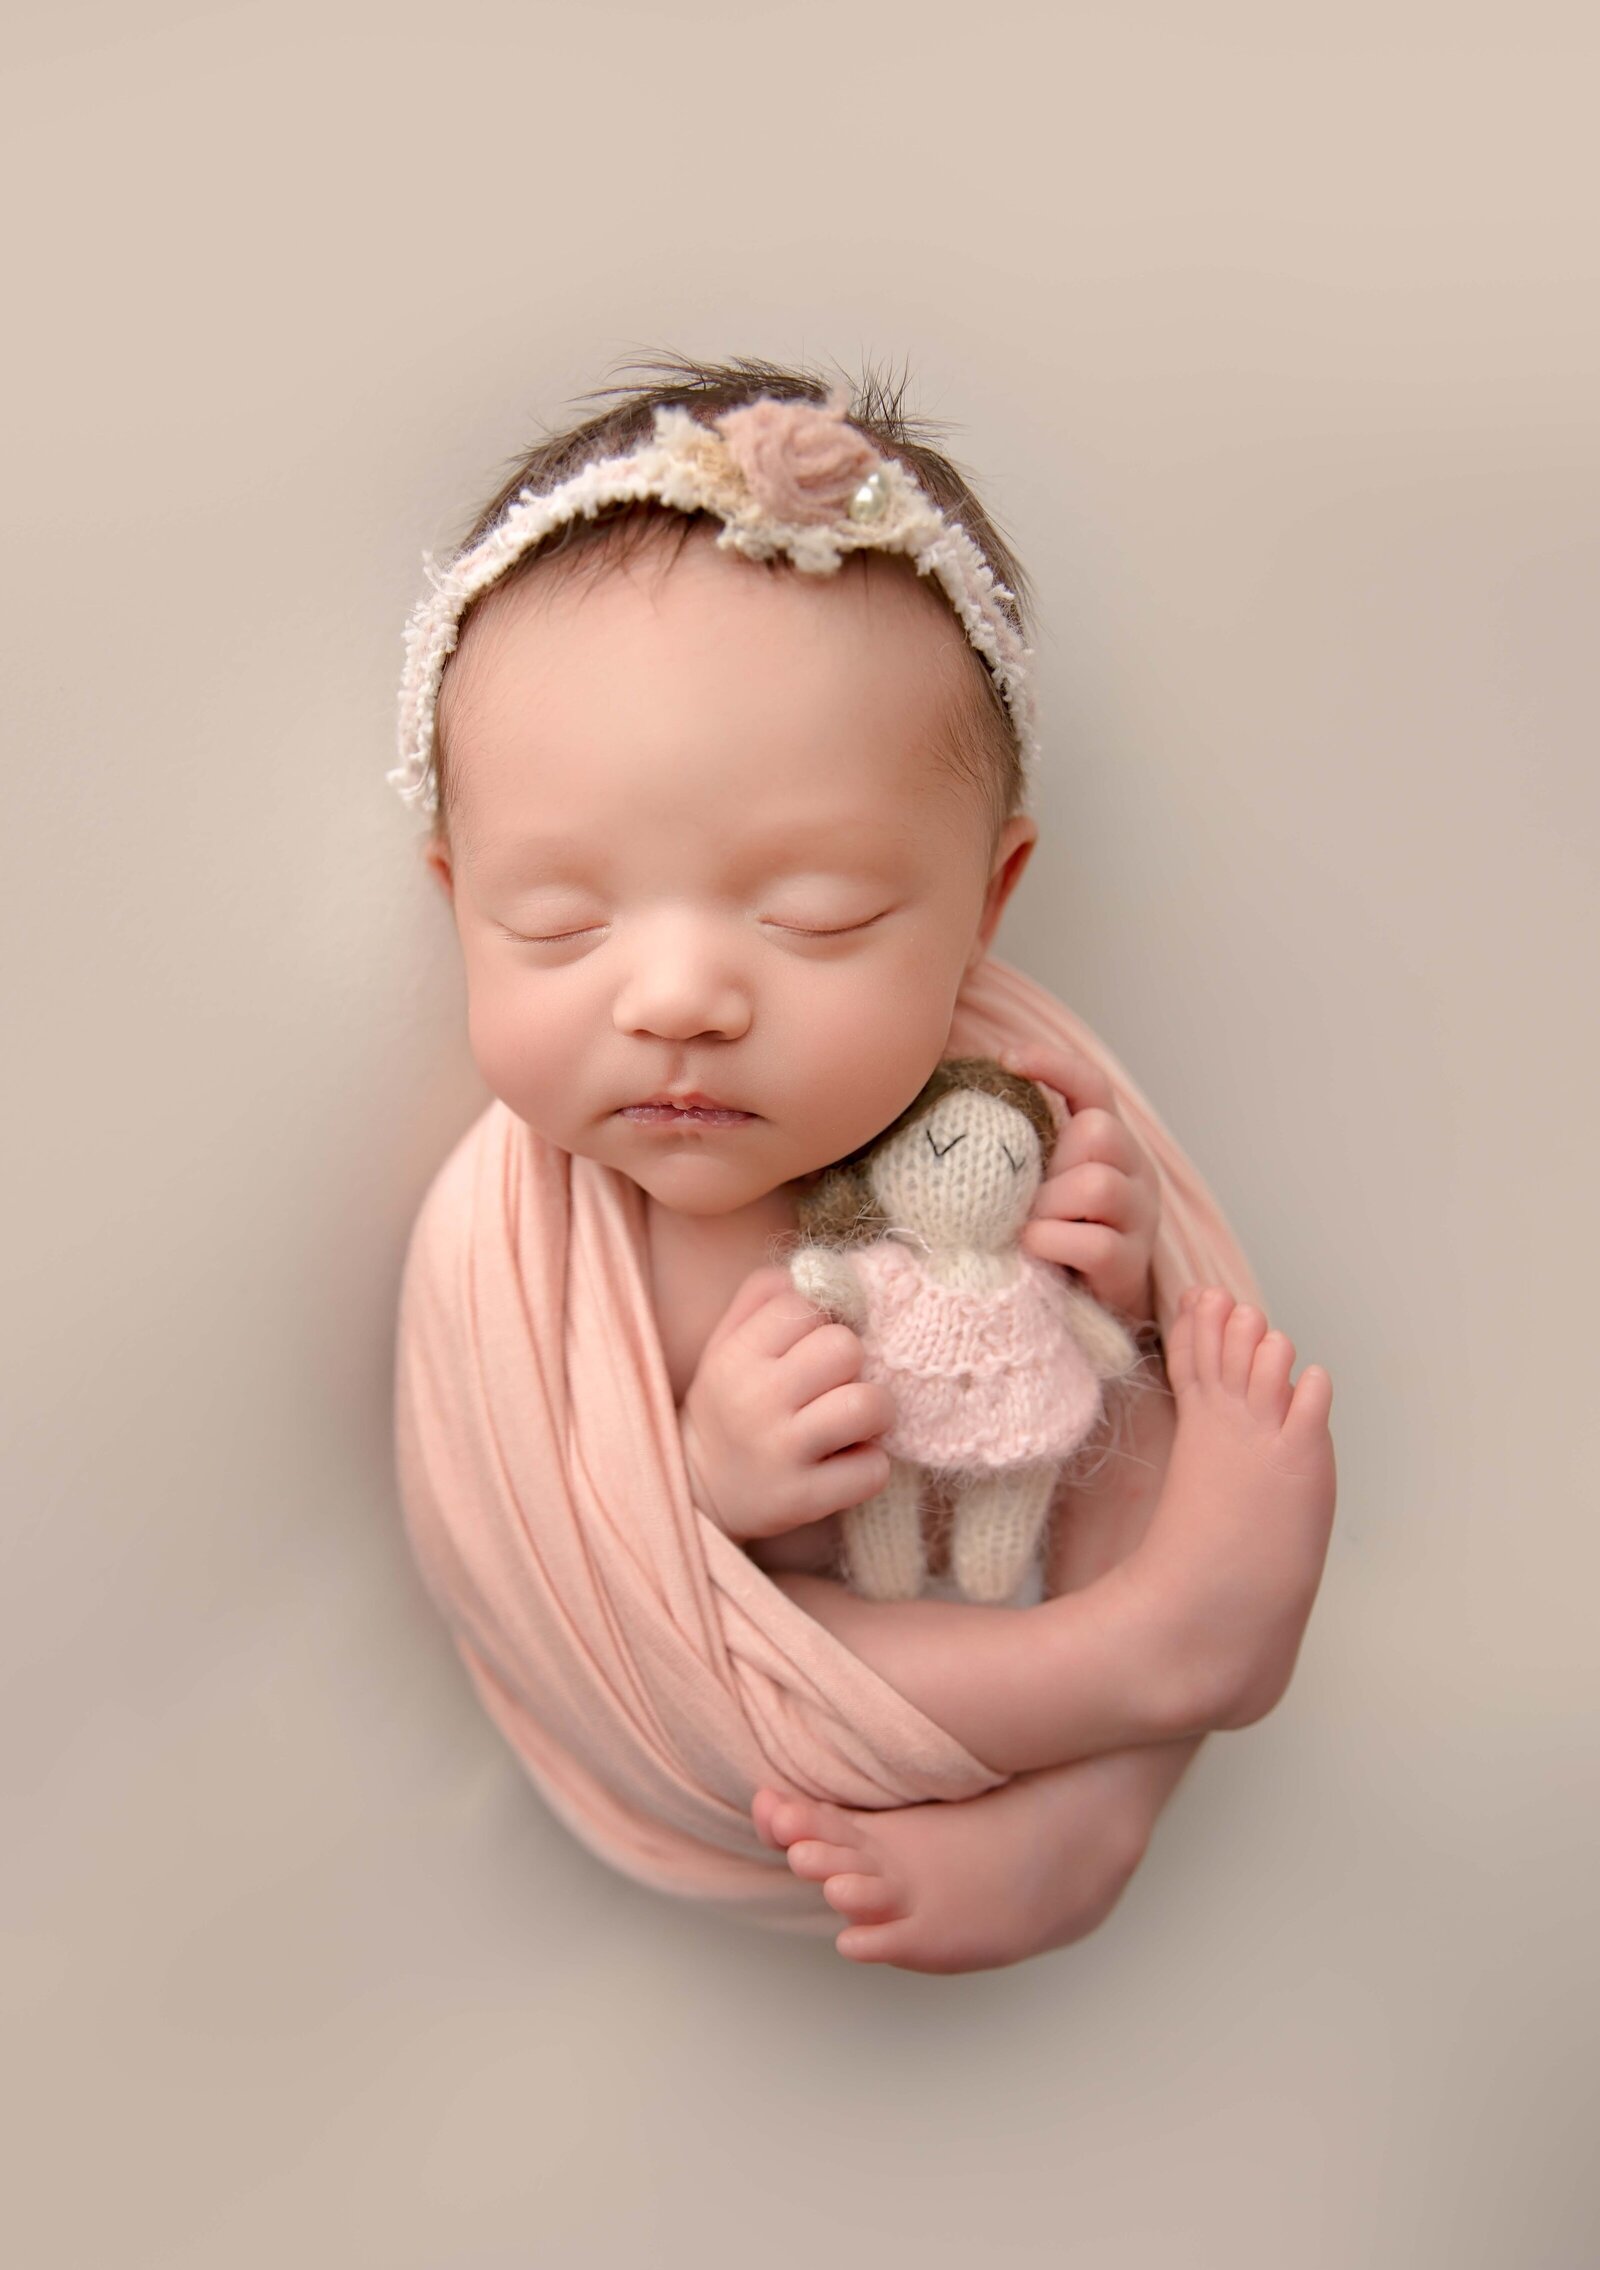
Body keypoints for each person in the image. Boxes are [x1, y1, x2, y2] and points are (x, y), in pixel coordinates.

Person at [393, 351, 1336, 1972]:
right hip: (788, 1680)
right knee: (786, 1652)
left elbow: (1104, 1382)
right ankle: (1148, 1670)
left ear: (986, 899)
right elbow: (582, 1573)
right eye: (556, 922)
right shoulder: (509, 1245)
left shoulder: (1004, 1102)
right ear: (452, 891)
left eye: (816, 916)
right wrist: (710, 1483)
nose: (678, 997)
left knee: (1181, 1408)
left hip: (1000, 1543)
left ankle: (1103, 1801)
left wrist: (1102, 1282)